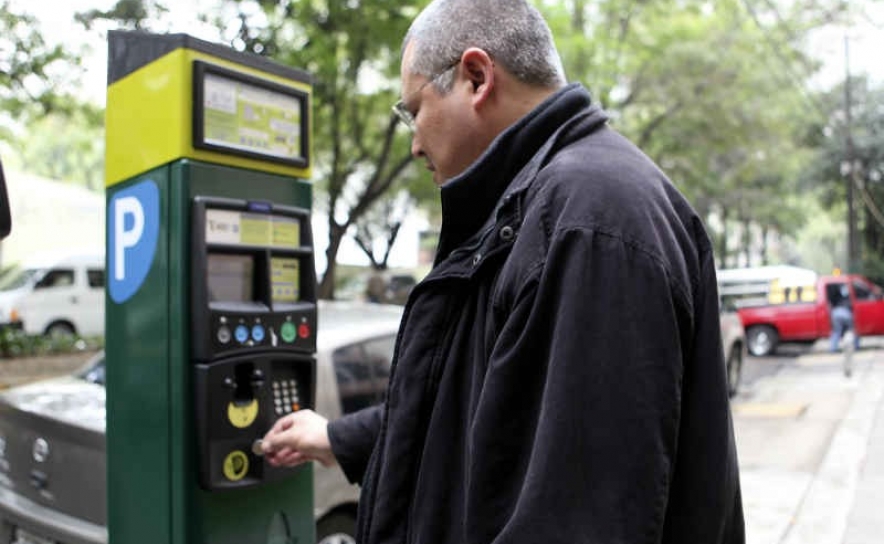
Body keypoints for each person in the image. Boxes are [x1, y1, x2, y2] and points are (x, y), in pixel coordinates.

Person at [262, 1, 745, 542]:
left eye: (413, 110)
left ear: (475, 77)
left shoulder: (589, 219)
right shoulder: (534, 211)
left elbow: (578, 519)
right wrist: (336, 437)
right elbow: (471, 404)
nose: (416, 141)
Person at [829, 283, 859, 353]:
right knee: (853, 330)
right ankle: (856, 346)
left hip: (835, 312)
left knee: (836, 331)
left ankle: (833, 349)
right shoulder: (845, 291)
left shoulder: (832, 292)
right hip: (845, 312)